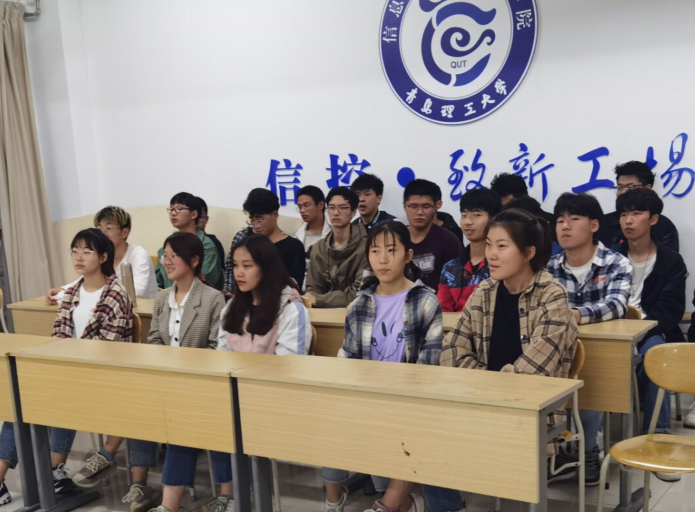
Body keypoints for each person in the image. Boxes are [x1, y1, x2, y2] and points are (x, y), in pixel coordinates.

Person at [80, 232, 227, 512]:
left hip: (197, 384)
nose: (167, 261)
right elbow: (155, 340)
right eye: (165, 255)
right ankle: (139, 485)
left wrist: (180, 371)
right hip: (165, 379)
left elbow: (214, 349)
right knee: (137, 405)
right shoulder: (161, 299)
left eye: (174, 256)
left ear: (194, 261)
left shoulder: (213, 299)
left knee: (176, 421)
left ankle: (161, 497)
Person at [324, 221, 463, 512]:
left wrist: (395, 396)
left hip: (411, 400)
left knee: (408, 427)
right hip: (369, 399)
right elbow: (348, 358)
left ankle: (388, 505)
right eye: (375, 251)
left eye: (391, 250)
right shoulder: (359, 305)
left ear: (408, 255)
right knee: (331, 419)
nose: (383, 259)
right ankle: (395, 502)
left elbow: (429, 365)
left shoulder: (425, 301)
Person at [0, 229, 133, 504]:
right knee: (21, 398)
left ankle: (54, 472)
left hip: (103, 375)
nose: (79, 257)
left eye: (87, 251)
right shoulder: (71, 292)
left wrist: (67, 367)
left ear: (103, 257)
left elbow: (109, 349)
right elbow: (59, 335)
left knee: (61, 396)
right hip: (69, 370)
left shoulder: (116, 294)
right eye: (75, 251)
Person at [547, 192, 632, 487]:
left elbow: (617, 305)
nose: (565, 226)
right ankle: (558, 450)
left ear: (594, 225)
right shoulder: (549, 267)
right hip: (560, 349)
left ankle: (587, 450)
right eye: (560, 220)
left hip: (603, 352)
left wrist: (576, 315)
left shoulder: (616, 263)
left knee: (591, 373)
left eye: (574, 219)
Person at [441, 207, 577, 378]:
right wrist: (484, 381)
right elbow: (451, 350)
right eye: (488, 245)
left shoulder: (552, 295)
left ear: (528, 253)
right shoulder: (484, 291)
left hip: (533, 394)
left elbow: (534, 370)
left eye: (502, 246)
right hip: (481, 390)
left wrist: (485, 381)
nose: (491, 254)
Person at [613, 189, 686, 481]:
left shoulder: (670, 260)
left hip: (650, 332)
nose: (628, 221)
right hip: (612, 331)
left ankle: (659, 440)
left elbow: (670, 313)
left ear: (653, 219)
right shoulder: (609, 256)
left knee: (657, 355)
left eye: (636, 213)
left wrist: (639, 328)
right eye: (623, 214)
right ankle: (595, 443)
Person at [218, 235, 311, 354]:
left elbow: (290, 361)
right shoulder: (231, 307)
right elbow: (222, 352)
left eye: (247, 266)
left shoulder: (292, 310)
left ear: (266, 267)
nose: (238, 273)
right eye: (235, 265)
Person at [46, 206, 157, 303]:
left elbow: (137, 291)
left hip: (142, 313)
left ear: (124, 232)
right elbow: (85, 280)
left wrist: (96, 293)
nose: (102, 233)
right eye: (99, 229)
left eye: (109, 228)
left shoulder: (138, 254)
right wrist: (63, 289)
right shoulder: (101, 255)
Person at [438, 188, 501, 312]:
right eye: (464, 215)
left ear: (494, 218)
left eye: (476, 215)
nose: (468, 222)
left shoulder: (500, 264)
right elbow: (443, 311)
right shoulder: (451, 268)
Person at [305, 187, 369, 308]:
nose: (336, 213)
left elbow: (359, 292)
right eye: (331, 207)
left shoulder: (367, 247)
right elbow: (312, 289)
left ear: (354, 212)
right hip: (322, 314)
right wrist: (314, 298)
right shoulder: (319, 248)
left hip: (356, 312)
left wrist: (319, 299)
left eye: (343, 207)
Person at [596, 161, 679, 251]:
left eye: (630, 187)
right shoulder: (603, 223)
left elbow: (668, 258)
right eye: (620, 188)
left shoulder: (664, 226)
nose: (623, 192)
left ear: (648, 188)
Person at [154, 192, 223, 290]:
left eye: (179, 209)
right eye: (171, 209)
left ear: (194, 214)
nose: (173, 213)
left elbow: (205, 280)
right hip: (169, 296)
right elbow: (157, 280)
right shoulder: (167, 247)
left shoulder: (206, 246)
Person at [403, 180, 461, 291]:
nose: (419, 212)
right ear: (404, 206)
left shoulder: (449, 241)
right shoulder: (395, 239)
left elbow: (455, 285)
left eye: (426, 207)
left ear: (436, 206)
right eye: (413, 206)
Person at [294, 185, 332, 253]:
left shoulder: (334, 234)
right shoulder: (296, 236)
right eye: (300, 207)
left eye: (306, 205)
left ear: (321, 205)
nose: (302, 210)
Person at [198, 197, 226, 265]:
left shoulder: (213, 243)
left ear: (206, 219)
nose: (196, 220)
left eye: (200, 216)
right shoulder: (178, 240)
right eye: (193, 215)